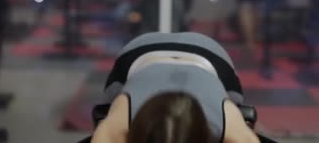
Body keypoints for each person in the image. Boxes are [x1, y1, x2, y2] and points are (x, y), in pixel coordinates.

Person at [91, 32, 272, 143]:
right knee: (106, 116)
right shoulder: (122, 124)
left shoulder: (228, 130)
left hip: (208, 56)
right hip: (138, 56)